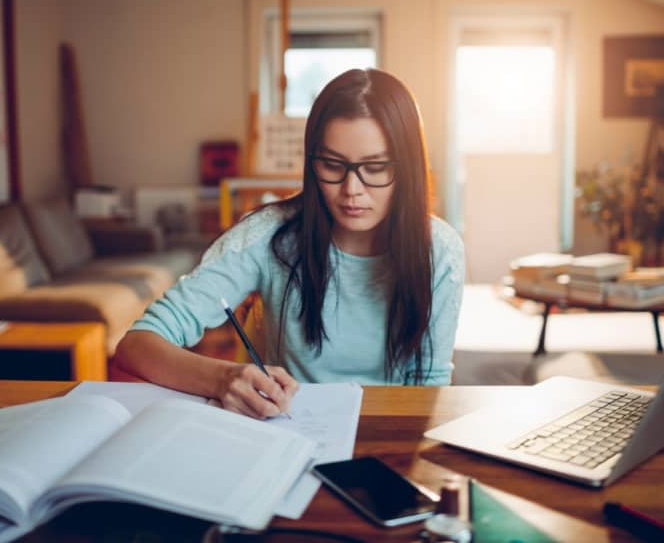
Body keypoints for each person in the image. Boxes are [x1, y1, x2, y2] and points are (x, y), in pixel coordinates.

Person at [113, 68, 465, 419]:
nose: (351, 190)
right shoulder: (268, 236)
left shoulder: (440, 249)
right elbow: (138, 345)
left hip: (392, 434)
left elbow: (430, 387)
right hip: (289, 431)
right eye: (331, 164)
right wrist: (221, 379)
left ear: (407, 168)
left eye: (374, 168)